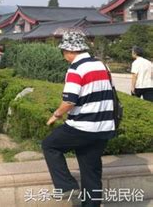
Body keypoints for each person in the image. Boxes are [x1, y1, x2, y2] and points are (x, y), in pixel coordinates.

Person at [42, 31, 115, 207]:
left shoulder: (76, 69)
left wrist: (56, 115)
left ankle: (67, 186)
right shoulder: (102, 65)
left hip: (82, 126)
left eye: (63, 52)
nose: (64, 56)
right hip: (104, 127)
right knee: (91, 171)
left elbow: (69, 101)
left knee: (50, 145)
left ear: (69, 50)